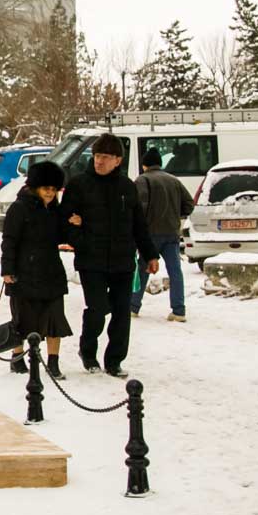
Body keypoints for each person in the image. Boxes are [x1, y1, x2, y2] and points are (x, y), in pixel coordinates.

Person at [66, 132, 159, 377]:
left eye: (106, 157)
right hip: (91, 260)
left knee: (121, 312)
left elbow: (139, 224)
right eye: (97, 156)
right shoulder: (78, 184)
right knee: (97, 309)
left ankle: (114, 360)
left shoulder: (127, 187)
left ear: (118, 160)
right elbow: (65, 221)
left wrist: (150, 255)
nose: (99, 161)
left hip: (122, 260)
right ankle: (88, 352)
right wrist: (80, 239)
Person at [0, 160, 80, 377]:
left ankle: (53, 362)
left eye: (54, 189)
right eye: (46, 189)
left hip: (51, 270)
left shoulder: (55, 210)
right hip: (23, 272)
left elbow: (63, 236)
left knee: (55, 319)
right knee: (22, 319)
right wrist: (7, 270)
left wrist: (75, 223)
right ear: (35, 187)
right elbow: (9, 240)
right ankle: (17, 358)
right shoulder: (19, 208)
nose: (50, 193)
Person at [131, 147, 193, 321]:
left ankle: (133, 306)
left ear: (144, 165)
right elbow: (189, 204)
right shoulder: (174, 180)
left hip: (149, 234)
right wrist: (177, 216)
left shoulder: (142, 180)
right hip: (172, 234)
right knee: (175, 272)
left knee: (143, 269)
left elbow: (139, 208)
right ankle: (179, 310)